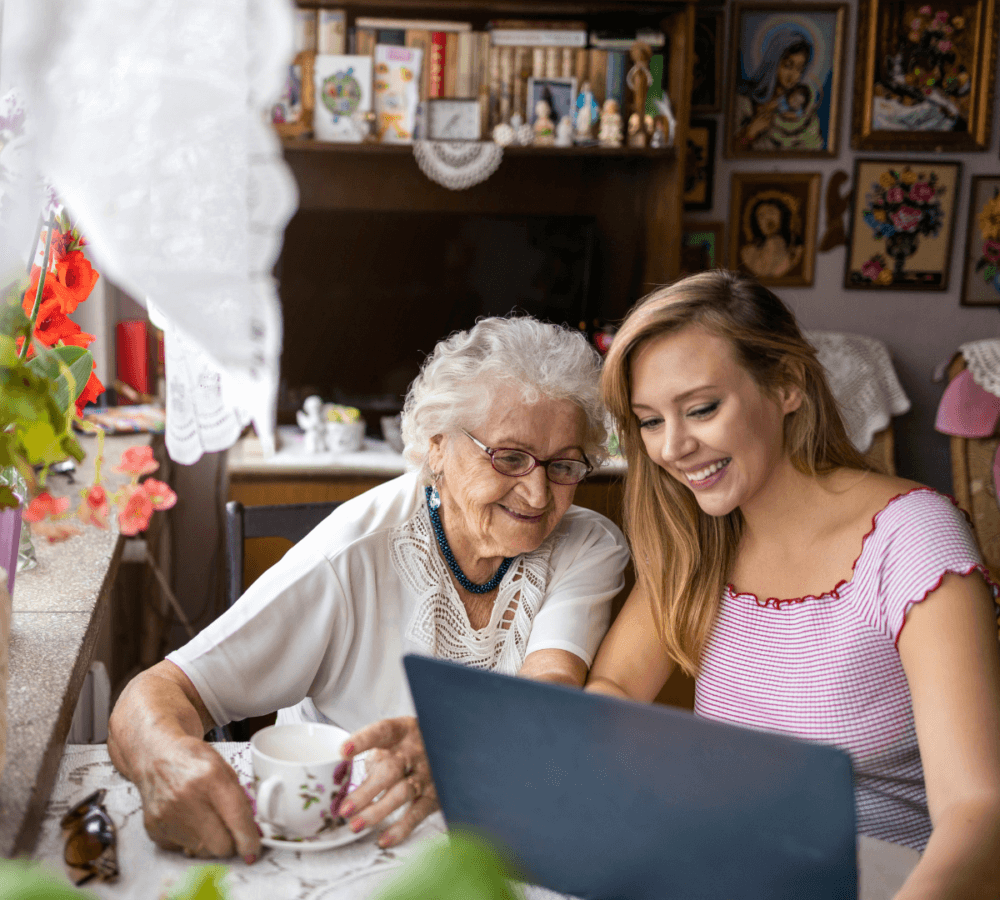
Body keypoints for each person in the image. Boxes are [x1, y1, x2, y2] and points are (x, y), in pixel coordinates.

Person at [108, 316, 630, 862]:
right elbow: (159, 693)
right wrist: (165, 762)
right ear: (437, 446)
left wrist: (456, 746)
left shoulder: (587, 546)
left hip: (492, 844)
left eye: (564, 464)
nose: (539, 492)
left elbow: (550, 687)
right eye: (510, 457)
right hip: (352, 843)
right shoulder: (348, 553)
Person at [589, 270, 1000, 898]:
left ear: (786, 384)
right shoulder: (700, 539)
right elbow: (614, 687)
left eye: (702, 409)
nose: (673, 447)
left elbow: (978, 810)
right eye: (648, 421)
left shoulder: (913, 538)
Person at [733, 25, 824, 152]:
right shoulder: (744, 102)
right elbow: (728, 151)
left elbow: (814, 149)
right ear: (774, 62)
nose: (793, 76)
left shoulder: (804, 109)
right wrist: (750, 132)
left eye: (799, 69)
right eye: (788, 66)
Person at [738, 193, 803, 279]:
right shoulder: (749, 253)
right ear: (756, 223)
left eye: (771, 212)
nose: (768, 219)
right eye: (761, 216)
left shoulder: (797, 251)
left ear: (783, 215)